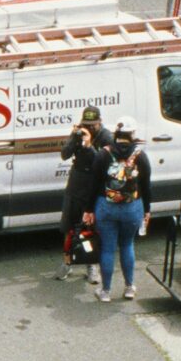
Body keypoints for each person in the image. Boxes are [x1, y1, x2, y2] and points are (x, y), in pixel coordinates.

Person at [93, 121, 150, 303]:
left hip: (106, 206)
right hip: (132, 208)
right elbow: (146, 186)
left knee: (108, 249)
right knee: (127, 245)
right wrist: (147, 210)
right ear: (133, 134)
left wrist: (88, 209)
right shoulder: (140, 156)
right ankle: (129, 288)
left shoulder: (104, 154)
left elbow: (93, 184)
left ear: (116, 133)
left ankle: (105, 291)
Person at [58, 106, 111, 284]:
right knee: (68, 226)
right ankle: (67, 262)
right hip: (75, 184)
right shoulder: (79, 133)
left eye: (93, 125)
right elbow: (64, 155)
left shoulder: (106, 137)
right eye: (86, 124)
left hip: (93, 187)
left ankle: (91, 265)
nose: (89, 128)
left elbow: (103, 163)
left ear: (100, 122)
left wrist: (89, 146)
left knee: (91, 229)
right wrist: (73, 137)